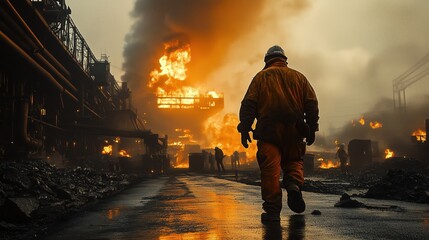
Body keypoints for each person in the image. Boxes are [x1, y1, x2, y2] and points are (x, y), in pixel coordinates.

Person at [237, 45, 319, 222]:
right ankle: (293, 185)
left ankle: (273, 211)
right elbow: (312, 104)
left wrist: (245, 128)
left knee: (270, 171)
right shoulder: (299, 77)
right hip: (294, 130)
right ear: (284, 60)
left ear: (267, 60)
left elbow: (249, 104)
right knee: (294, 162)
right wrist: (312, 128)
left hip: (269, 132)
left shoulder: (260, 77)